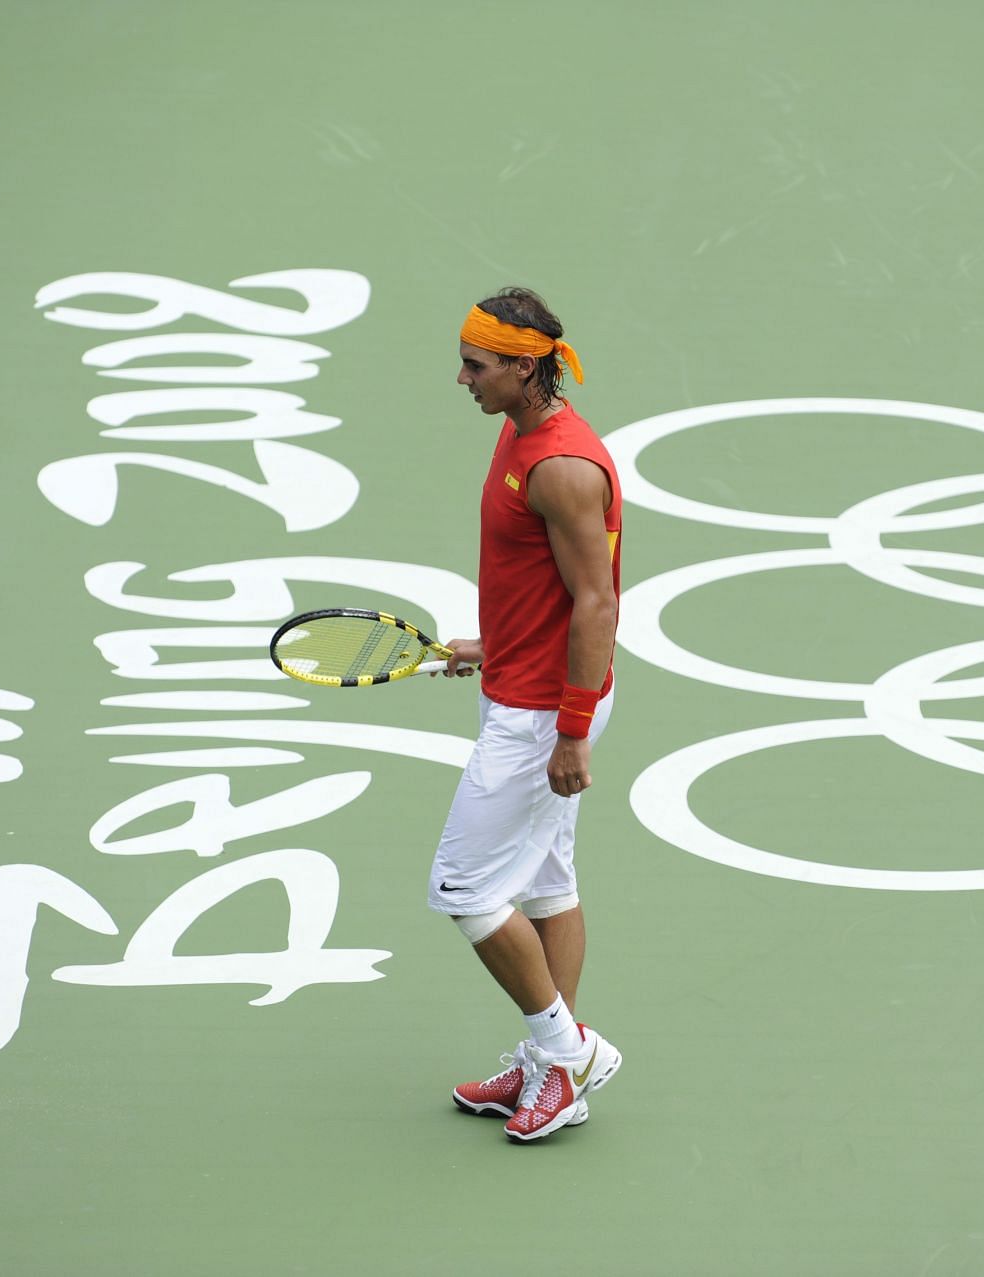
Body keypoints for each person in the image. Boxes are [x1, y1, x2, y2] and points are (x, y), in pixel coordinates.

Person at [428, 287, 624, 1144]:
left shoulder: (564, 468)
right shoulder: (520, 432)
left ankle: (566, 1050)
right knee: (547, 882)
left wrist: (573, 731)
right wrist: (493, 642)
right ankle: (550, 1067)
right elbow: (539, 583)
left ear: (520, 366)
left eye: (476, 365)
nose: (461, 377)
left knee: (466, 888)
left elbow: (596, 602)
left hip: (546, 711)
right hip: (523, 680)